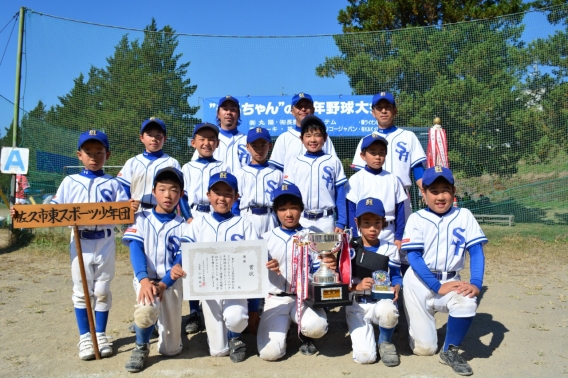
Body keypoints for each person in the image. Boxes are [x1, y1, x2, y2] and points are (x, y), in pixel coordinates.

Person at [13, 130, 131, 360]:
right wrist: (28, 213)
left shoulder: (113, 183)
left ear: (108, 154)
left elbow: (125, 210)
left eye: (99, 152)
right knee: (82, 291)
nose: (94, 157)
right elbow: (55, 207)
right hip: (80, 241)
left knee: (103, 290)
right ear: (79, 155)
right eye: (88, 152)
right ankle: (86, 337)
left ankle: (101, 334)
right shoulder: (70, 181)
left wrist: (131, 208)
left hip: (106, 240)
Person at [401, 166, 488, 376]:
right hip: (419, 283)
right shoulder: (417, 218)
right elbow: (413, 256)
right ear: (424, 193)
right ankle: (418, 328)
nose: (440, 196)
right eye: (434, 191)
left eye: (445, 190)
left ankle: (450, 350)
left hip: (451, 279)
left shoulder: (464, 215)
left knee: (466, 302)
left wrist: (476, 283)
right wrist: (436, 285)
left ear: (454, 191)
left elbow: (476, 251)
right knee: (425, 349)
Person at [182, 171, 258, 362]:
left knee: (237, 318)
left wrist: (254, 307)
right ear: (208, 195)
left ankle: (236, 338)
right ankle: (222, 338)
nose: (222, 198)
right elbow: (185, 252)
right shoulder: (198, 224)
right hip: (209, 291)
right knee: (218, 352)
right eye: (217, 192)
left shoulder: (244, 224)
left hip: (236, 290)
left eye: (228, 193)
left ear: (236, 197)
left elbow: (256, 262)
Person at [257, 183, 334, 361]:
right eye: (283, 208)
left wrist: (328, 264)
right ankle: (286, 328)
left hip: (305, 297)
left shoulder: (313, 236)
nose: (289, 214)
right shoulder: (266, 239)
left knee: (317, 327)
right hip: (276, 298)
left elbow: (320, 269)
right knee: (270, 354)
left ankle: (304, 335)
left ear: (302, 209)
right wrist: (265, 264)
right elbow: (254, 274)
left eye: (293, 208)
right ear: (275, 211)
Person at [122, 167, 189, 373]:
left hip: (169, 281)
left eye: (174, 190)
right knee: (145, 310)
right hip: (147, 280)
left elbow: (181, 258)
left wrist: (163, 284)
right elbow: (136, 250)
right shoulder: (141, 218)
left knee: (170, 349)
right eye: (162, 189)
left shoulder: (185, 225)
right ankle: (141, 345)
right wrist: (144, 281)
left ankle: (156, 326)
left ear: (181, 195)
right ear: (153, 191)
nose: (168, 195)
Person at [180, 122, 230, 334]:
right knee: (192, 265)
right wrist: (188, 218)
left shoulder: (223, 167)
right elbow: (181, 196)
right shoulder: (186, 167)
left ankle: (217, 305)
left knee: (215, 261)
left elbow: (231, 194)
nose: (207, 143)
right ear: (194, 143)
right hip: (193, 216)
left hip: (214, 216)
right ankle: (194, 312)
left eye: (211, 139)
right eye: (202, 139)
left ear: (217, 143)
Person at [351, 92, 426, 222]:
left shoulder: (409, 136)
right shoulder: (366, 140)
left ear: (395, 110)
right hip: (371, 195)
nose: (384, 111)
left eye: (388, 107)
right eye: (379, 108)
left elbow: (418, 169)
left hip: (401, 196)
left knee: (402, 237)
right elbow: (360, 174)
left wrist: (425, 191)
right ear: (373, 113)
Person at [346, 198, 402, 366]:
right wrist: (357, 286)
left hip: (380, 301)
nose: (372, 228)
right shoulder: (349, 247)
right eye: (366, 223)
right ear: (357, 222)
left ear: (383, 222)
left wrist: (398, 287)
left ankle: (385, 341)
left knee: (389, 310)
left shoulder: (390, 248)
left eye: (377, 222)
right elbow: (342, 281)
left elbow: (397, 275)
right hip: (357, 305)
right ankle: (366, 334)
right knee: (366, 358)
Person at [283, 115, 347, 233]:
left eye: (317, 135)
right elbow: (289, 194)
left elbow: (340, 193)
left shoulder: (333, 161)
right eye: (308, 136)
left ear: (325, 138)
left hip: (326, 219)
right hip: (302, 218)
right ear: (301, 139)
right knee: (302, 251)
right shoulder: (295, 162)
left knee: (327, 251)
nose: (312, 140)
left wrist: (341, 222)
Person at [346, 134, 407, 249]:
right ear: (363, 156)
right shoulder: (356, 179)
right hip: (363, 233)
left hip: (388, 231)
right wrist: (354, 237)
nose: (377, 157)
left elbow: (400, 211)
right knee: (364, 266)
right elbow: (351, 210)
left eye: (381, 153)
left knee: (388, 266)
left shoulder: (393, 179)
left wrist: (398, 237)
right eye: (373, 153)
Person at [117, 117, 181, 212]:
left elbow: (178, 190)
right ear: (141, 138)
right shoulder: (132, 162)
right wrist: (127, 205)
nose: (154, 139)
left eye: (158, 135)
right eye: (149, 135)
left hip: (163, 212)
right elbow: (123, 187)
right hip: (137, 211)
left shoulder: (172, 162)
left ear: (165, 138)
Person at [269, 92, 337, 172]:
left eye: (307, 106)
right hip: (290, 183)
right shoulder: (284, 138)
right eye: (299, 106)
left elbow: (333, 165)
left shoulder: (323, 137)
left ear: (313, 110)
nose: (303, 109)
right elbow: (276, 170)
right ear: (292, 111)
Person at [234, 127, 282, 235]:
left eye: (263, 145)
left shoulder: (277, 174)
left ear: (270, 146)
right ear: (247, 147)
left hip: (270, 217)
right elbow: (236, 203)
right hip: (247, 216)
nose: (259, 149)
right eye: (254, 145)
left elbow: (281, 203)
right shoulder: (240, 173)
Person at [191, 95, 249, 174]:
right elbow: (195, 168)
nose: (228, 113)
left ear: (238, 114)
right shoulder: (209, 142)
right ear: (218, 113)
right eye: (225, 109)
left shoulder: (247, 141)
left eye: (233, 109)